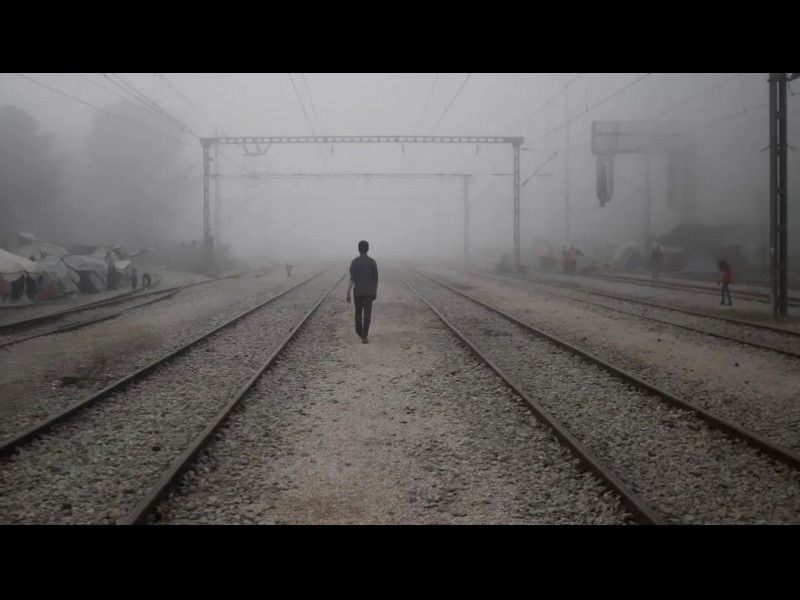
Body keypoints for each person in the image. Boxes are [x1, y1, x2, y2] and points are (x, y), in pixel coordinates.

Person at [346, 240, 378, 344]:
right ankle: (364, 336)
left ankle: (359, 332)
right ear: (368, 249)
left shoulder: (354, 262)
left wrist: (348, 293)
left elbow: (352, 279)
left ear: (358, 249)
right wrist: (375, 291)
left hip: (358, 292)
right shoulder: (372, 262)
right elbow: (375, 280)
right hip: (369, 292)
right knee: (367, 314)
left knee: (358, 313)